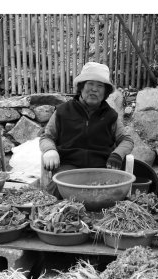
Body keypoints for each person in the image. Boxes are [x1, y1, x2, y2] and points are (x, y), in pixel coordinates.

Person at [39, 61, 134, 197]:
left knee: (111, 196)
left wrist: (117, 154)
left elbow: (126, 140)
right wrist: (50, 150)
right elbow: (47, 137)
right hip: (68, 170)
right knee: (59, 194)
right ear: (81, 87)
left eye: (100, 86)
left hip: (101, 170)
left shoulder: (110, 115)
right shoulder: (63, 111)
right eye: (90, 84)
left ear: (105, 92)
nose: (94, 89)